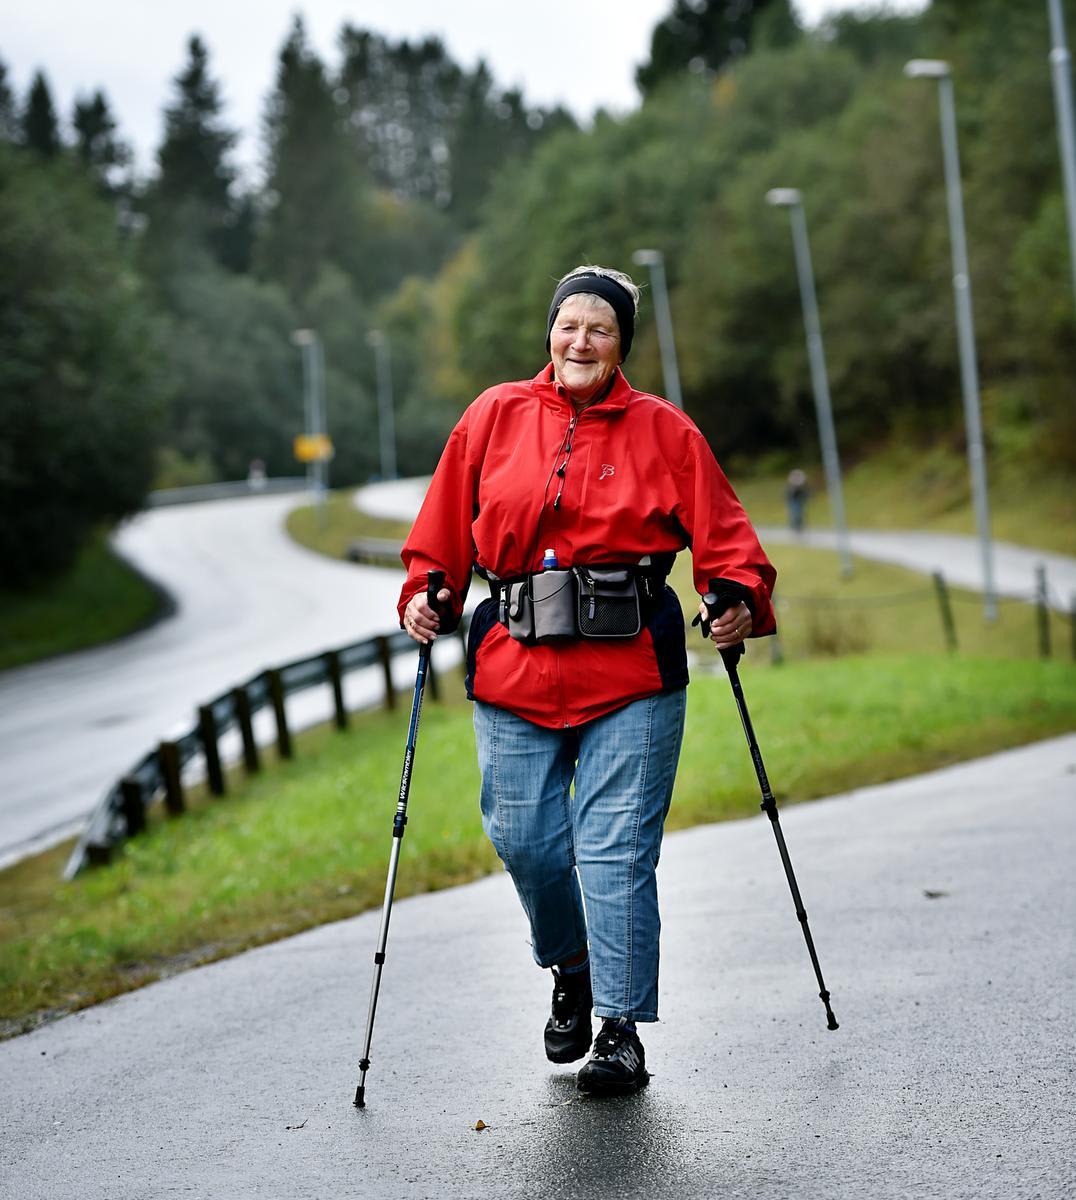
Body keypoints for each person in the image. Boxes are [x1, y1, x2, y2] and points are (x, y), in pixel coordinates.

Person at [397, 265, 776, 1096]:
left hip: (630, 671)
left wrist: (736, 596)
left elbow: (726, 538)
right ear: (550, 332)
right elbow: (441, 530)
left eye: (600, 328)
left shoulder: (665, 431)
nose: (581, 340)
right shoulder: (493, 415)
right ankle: (571, 965)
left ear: (620, 345)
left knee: (615, 850)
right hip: (514, 669)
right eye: (569, 324)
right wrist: (428, 589)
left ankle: (619, 1028)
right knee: (525, 840)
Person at [785, 468, 809, 533]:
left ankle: (799, 526)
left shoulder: (801, 484)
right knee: (794, 513)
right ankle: (795, 526)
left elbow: (804, 492)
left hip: (799, 500)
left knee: (799, 513)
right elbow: (789, 493)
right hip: (793, 500)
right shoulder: (791, 484)